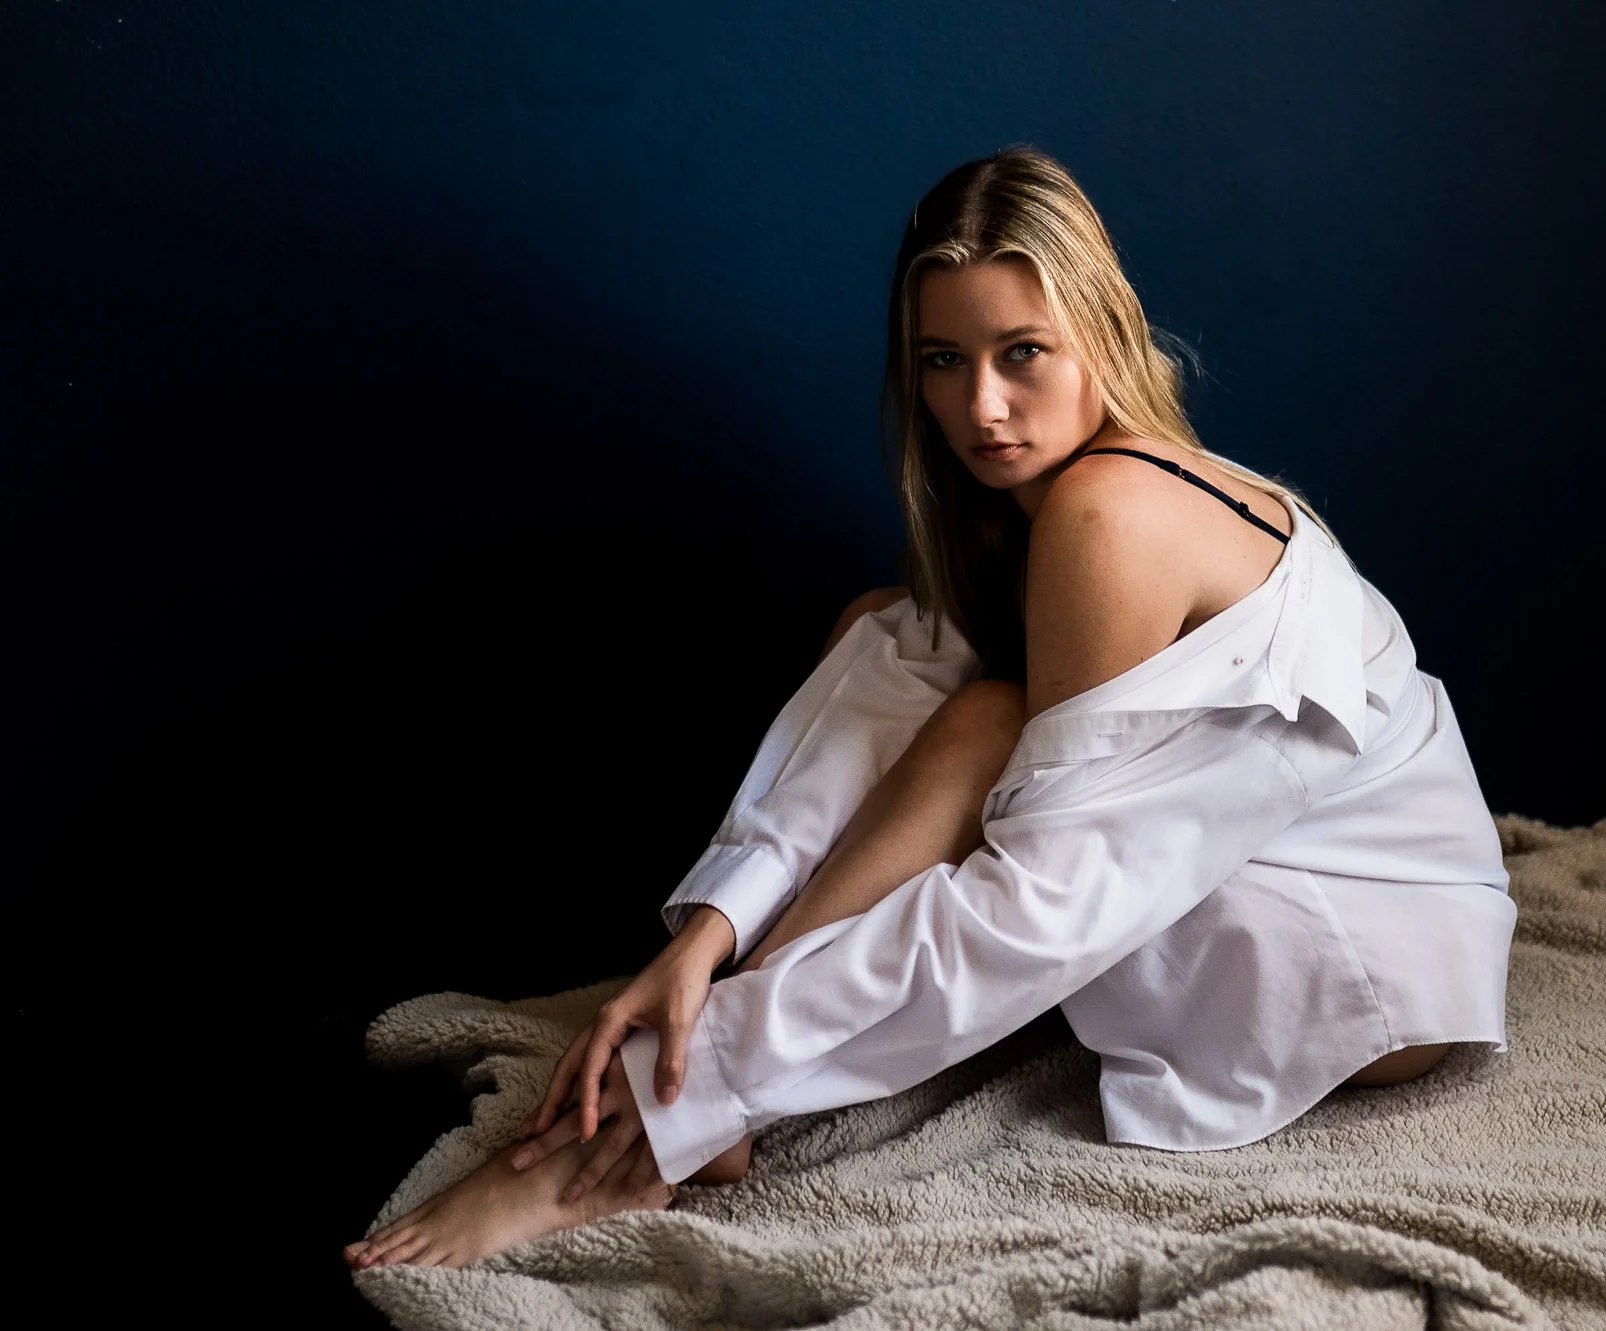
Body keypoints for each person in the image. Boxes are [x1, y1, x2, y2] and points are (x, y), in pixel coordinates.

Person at [346, 144, 1516, 1272]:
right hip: (1289, 904)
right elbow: (895, 668)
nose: (982, 407)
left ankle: (672, 1096)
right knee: (894, 636)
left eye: (1022, 353)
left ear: (1100, 336)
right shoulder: (1045, 497)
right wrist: (714, 927)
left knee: (979, 723)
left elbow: (1040, 907)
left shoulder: (1110, 513)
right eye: (942, 360)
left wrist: (702, 1091)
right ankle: (708, 1026)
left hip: (1361, 977)